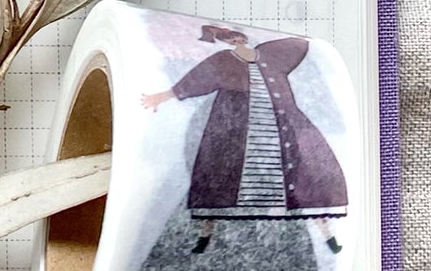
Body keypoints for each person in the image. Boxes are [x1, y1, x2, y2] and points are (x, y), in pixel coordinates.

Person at [140, 25, 349, 253]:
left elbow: (300, 46)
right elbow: (196, 80)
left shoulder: (269, 54)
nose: (235, 40)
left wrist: (313, 43)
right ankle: (204, 237)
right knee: (219, 178)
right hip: (237, 127)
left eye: (237, 37)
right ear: (227, 42)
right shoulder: (223, 59)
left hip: (279, 124)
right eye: (230, 38)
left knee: (306, 177)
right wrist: (162, 96)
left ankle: (329, 238)